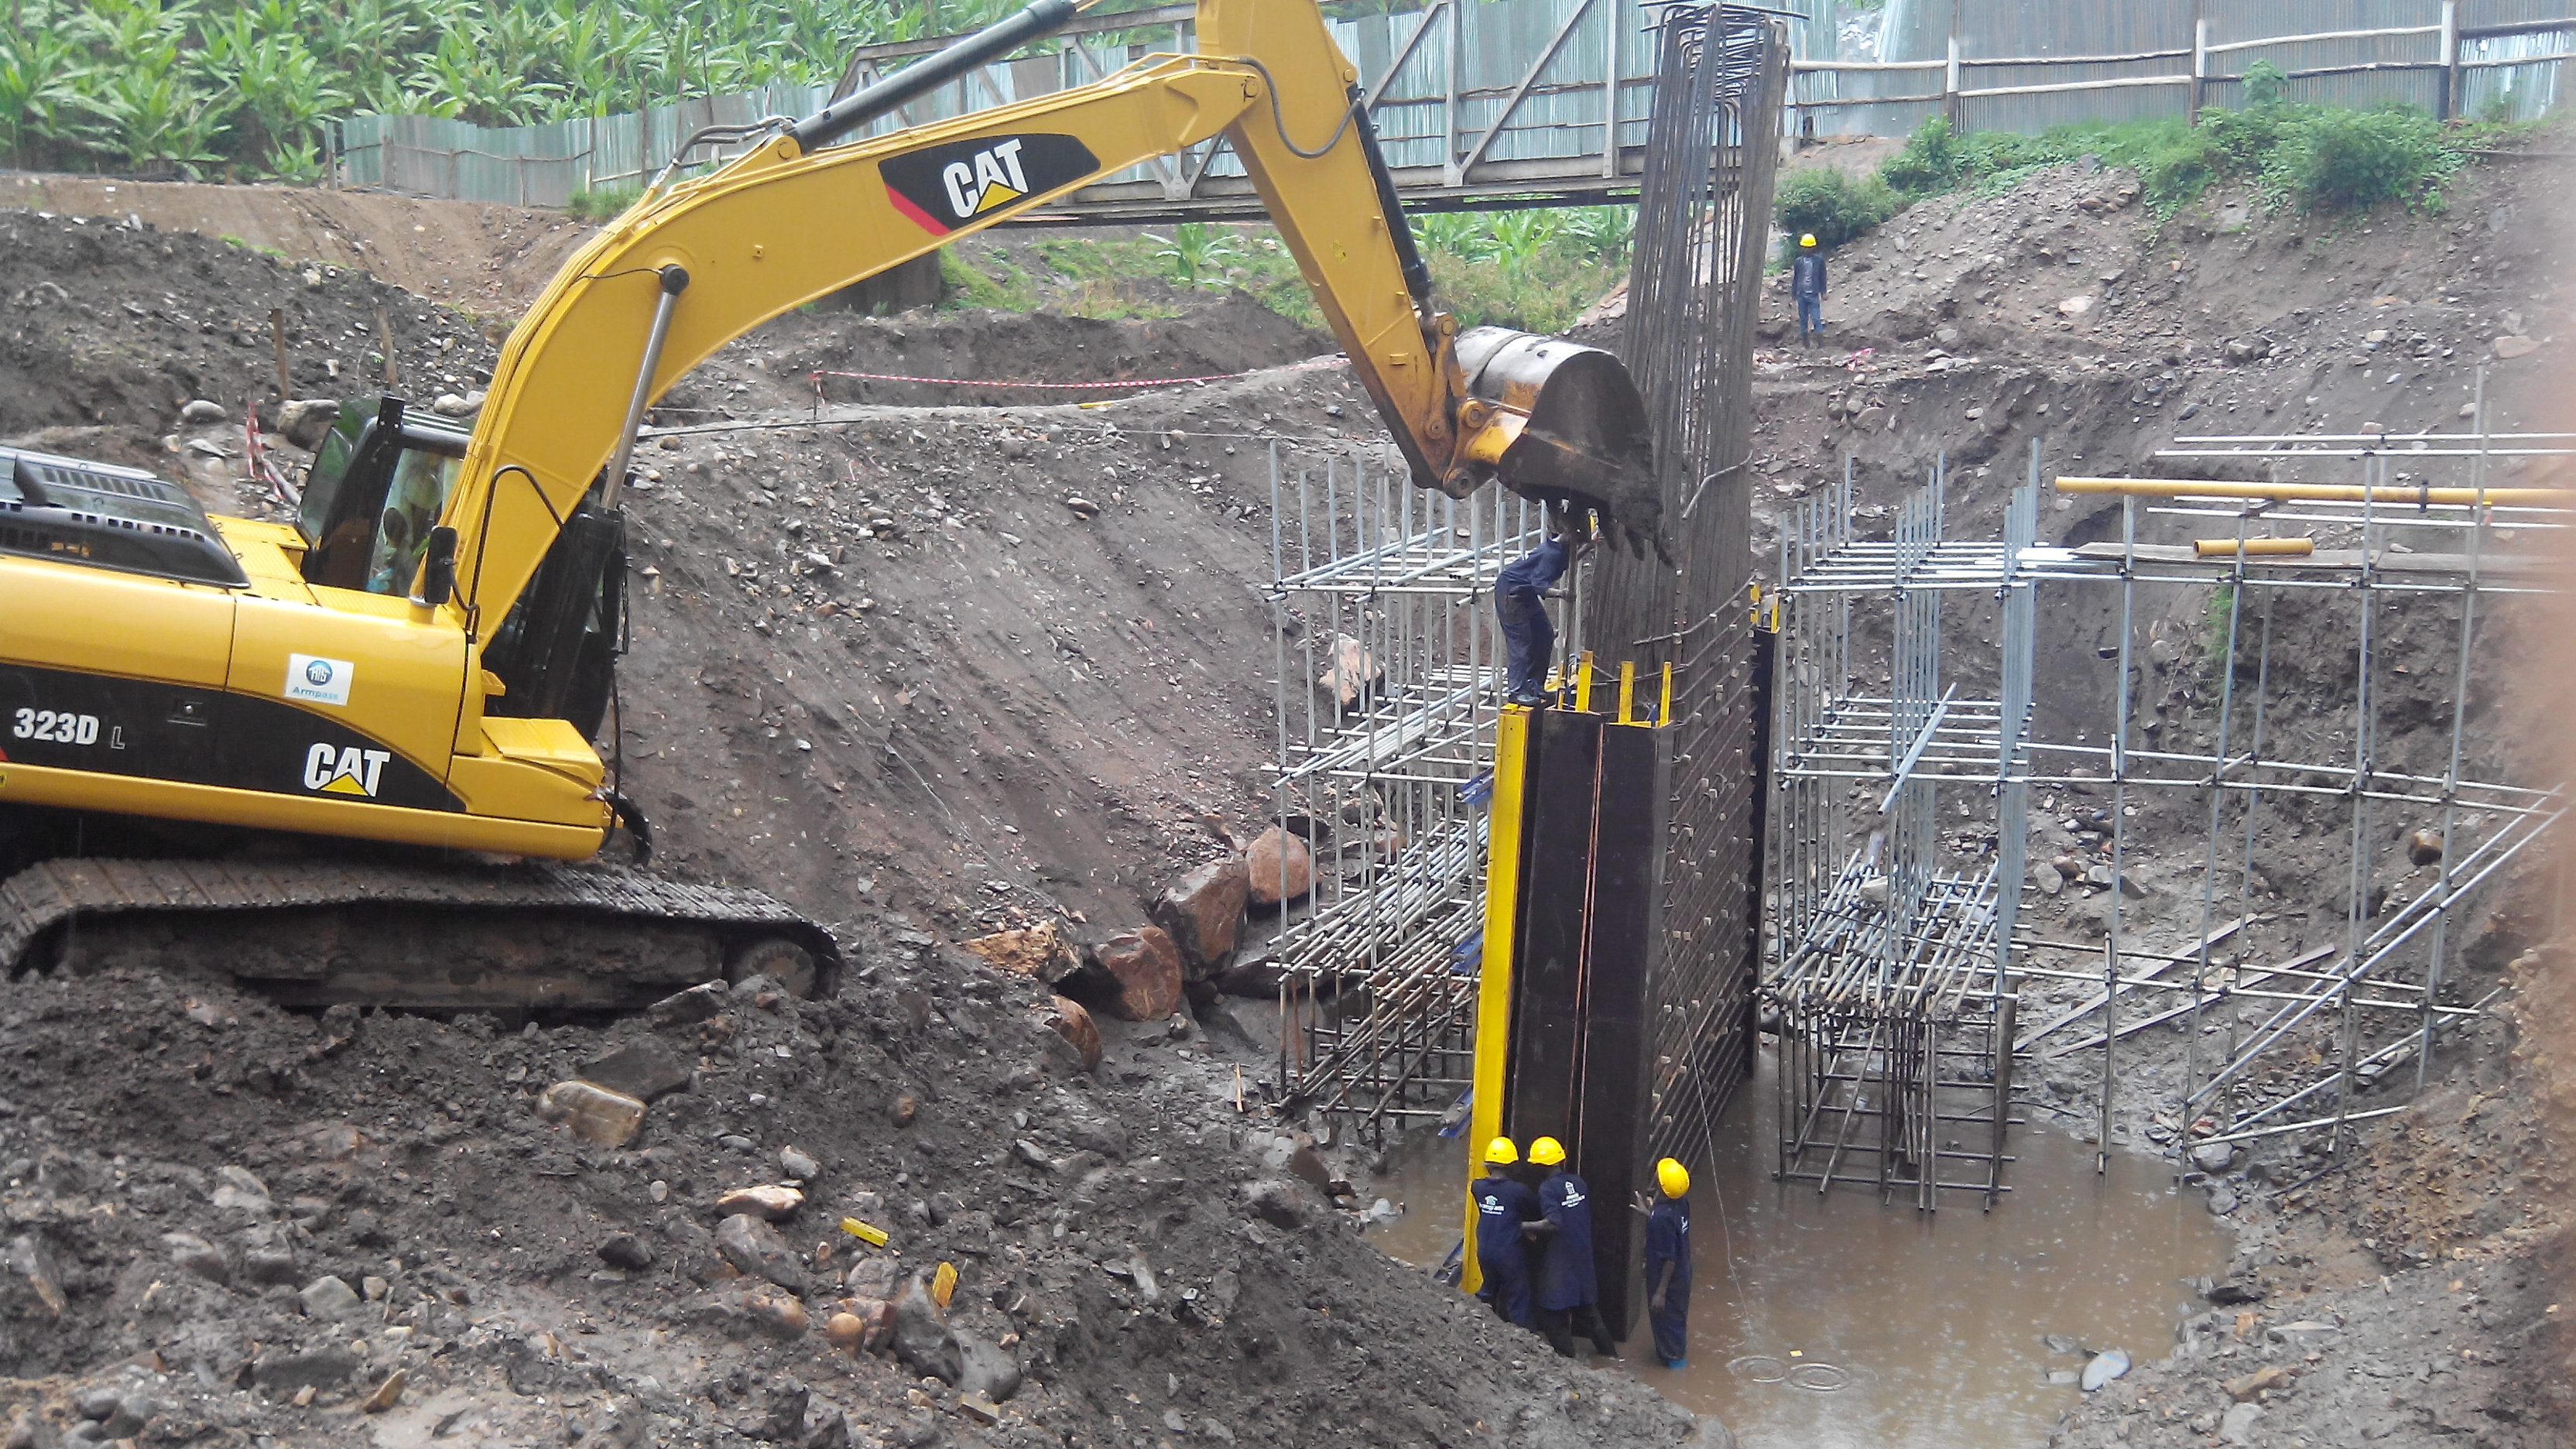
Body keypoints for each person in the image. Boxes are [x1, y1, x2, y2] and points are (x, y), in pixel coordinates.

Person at [1526, 1137, 1618, 1358]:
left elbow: (1553, 1222)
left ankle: (1568, 1360)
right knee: (1589, 1312)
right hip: (1582, 1254)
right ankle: (1611, 1357)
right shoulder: (1579, 1183)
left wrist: (1523, 1226)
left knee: (1552, 1314)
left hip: (1562, 1257)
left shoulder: (1547, 1189)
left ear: (1540, 1165)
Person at [1494, 515, 1581, 707]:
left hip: (1526, 594)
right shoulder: (1552, 553)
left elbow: (1569, 562)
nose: (1579, 543)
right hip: (1511, 594)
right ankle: (1516, 690)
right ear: (1568, 533)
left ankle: (1534, 685)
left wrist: (1591, 546)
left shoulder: (1560, 549)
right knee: (1522, 642)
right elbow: (1539, 585)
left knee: (1545, 635)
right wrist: (1562, 594)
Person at [1470, 1136, 1542, 1329]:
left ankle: (1475, 1325)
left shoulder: (1477, 1187)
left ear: (1488, 1165)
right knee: (1518, 1297)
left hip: (1484, 1250)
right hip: (1508, 1253)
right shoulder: (1519, 1191)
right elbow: (1535, 1210)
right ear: (1512, 1165)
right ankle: (1526, 1342)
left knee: (1489, 1289)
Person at [1643, 1157, 1693, 1368]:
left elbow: (1669, 1258)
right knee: (1677, 1317)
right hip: (1684, 1272)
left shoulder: (1662, 1217)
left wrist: (1660, 1292)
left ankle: (1676, 1365)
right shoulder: (1681, 1203)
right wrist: (1649, 1214)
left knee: (1668, 1321)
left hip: (1668, 1277)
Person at [1792, 233, 1828, 348]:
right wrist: (1793, 294)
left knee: (1816, 319)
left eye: (1809, 247)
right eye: (1805, 247)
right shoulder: (1798, 261)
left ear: (1813, 247)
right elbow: (1796, 278)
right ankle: (1806, 345)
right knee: (1803, 320)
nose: (1807, 249)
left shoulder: (1819, 261)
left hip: (1813, 294)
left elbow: (1822, 277)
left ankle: (1820, 345)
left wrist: (1823, 292)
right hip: (1801, 294)